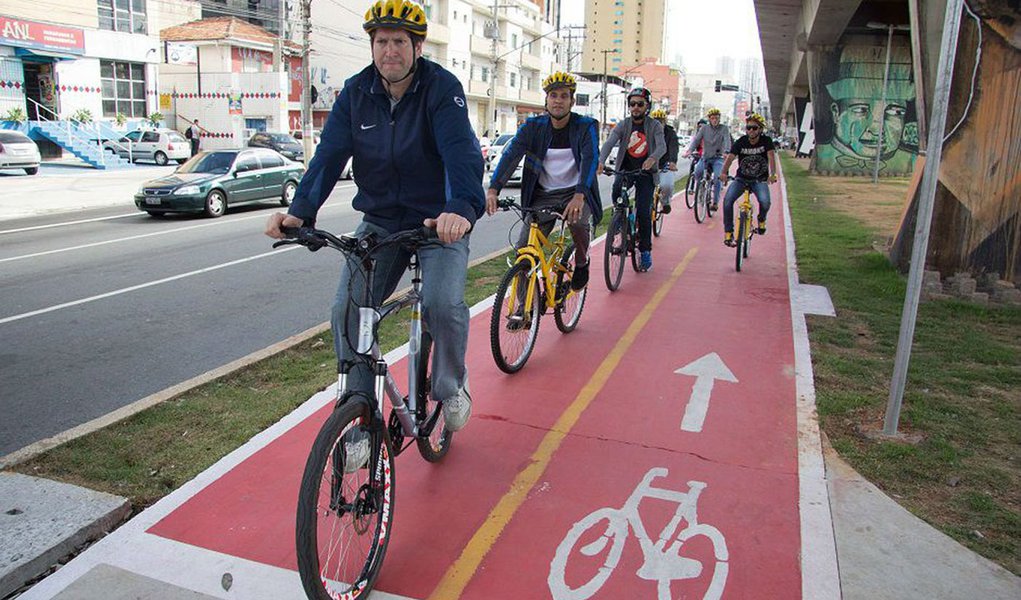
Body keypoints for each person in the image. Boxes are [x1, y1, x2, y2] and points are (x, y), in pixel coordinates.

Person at [265, 0, 484, 447]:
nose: (390, 50)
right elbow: (328, 157)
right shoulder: (355, 92)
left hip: (436, 221)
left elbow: (461, 151)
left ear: (417, 47)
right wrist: (301, 211)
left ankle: (449, 386)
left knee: (442, 306)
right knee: (348, 311)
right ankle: (360, 417)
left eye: (399, 41)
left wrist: (460, 207)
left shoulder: (441, 88)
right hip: (381, 222)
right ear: (372, 45)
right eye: (381, 41)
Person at [486, 71, 601, 304]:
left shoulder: (585, 126)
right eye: (553, 95)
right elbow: (511, 156)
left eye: (564, 96)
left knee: (578, 223)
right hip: (542, 196)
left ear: (572, 100)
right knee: (523, 252)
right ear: (546, 100)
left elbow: (590, 159)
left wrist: (580, 195)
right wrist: (493, 189)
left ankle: (581, 261)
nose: (558, 100)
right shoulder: (533, 127)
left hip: (575, 192)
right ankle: (524, 308)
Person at [598, 87, 665, 271]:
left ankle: (644, 250)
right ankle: (622, 223)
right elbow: (610, 142)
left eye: (640, 104)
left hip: (646, 173)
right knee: (616, 193)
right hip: (626, 170)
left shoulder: (655, 126)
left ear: (647, 106)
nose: (635, 107)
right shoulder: (623, 125)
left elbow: (662, 147)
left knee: (644, 212)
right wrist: (601, 161)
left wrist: (652, 159)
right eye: (632, 104)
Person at [719, 113, 777, 246]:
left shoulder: (766, 141)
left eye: (754, 128)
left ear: (760, 129)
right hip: (741, 179)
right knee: (728, 201)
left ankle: (761, 219)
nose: (751, 130)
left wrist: (773, 174)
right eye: (748, 127)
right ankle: (728, 233)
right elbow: (730, 158)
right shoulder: (741, 142)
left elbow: (771, 157)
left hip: (759, 180)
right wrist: (723, 173)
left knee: (765, 202)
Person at [683, 108, 731, 211]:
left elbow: (727, 141)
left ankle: (715, 202)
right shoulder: (704, 128)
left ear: (719, 119)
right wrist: (689, 150)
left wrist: (726, 152)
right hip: (705, 157)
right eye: (712, 118)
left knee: (717, 178)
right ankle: (701, 189)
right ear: (709, 119)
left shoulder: (724, 128)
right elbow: (696, 140)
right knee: (697, 172)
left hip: (718, 158)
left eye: (717, 118)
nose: (715, 120)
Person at [650, 109, 678, 214]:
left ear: (664, 122)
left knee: (667, 185)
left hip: (665, 165)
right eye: (655, 121)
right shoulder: (647, 131)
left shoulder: (670, 133)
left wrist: (672, 162)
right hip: (649, 166)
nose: (658, 124)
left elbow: (673, 148)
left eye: (660, 121)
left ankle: (665, 202)